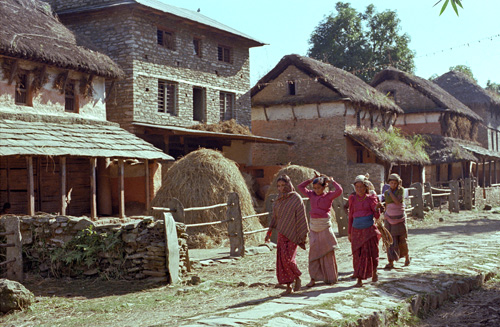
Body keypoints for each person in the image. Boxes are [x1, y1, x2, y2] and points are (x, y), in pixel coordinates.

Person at [265, 175, 309, 295]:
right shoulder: (278, 200)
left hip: (293, 235)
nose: (281, 188)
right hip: (281, 234)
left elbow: (301, 218)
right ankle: (289, 287)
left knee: (289, 259)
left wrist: (301, 234)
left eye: (283, 185)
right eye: (278, 186)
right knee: (282, 261)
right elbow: (274, 218)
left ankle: (297, 276)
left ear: (289, 185)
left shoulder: (296, 198)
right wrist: (268, 233)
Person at [297, 174, 343, 287]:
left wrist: (332, 181)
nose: (316, 190)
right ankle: (313, 278)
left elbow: (340, 190)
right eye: (315, 188)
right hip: (314, 227)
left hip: (325, 226)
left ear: (324, 187)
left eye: (319, 188)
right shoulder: (311, 195)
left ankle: (330, 277)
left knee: (327, 251)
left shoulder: (329, 196)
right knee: (313, 252)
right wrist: (310, 180)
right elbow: (300, 187)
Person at [347, 175, 382, 287]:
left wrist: (377, 208)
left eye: (361, 187)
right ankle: (359, 279)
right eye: (357, 187)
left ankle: (374, 271)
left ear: (366, 187)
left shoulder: (370, 199)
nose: (359, 189)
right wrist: (349, 232)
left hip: (368, 230)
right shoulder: (352, 199)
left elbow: (376, 216)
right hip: (356, 230)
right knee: (358, 254)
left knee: (372, 253)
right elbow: (351, 216)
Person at [382, 174, 410, 269]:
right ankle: (391, 262)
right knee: (389, 240)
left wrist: (390, 192)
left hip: (399, 218)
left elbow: (397, 202)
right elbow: (387, 203)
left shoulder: (401, 190)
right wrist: (385, 215)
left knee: (402, 239)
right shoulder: (386, 192)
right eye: (391, 183)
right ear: (388, 183)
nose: (393, 185)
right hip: (389, 217)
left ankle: (407, 257)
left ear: (398, 183)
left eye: (395, 183)